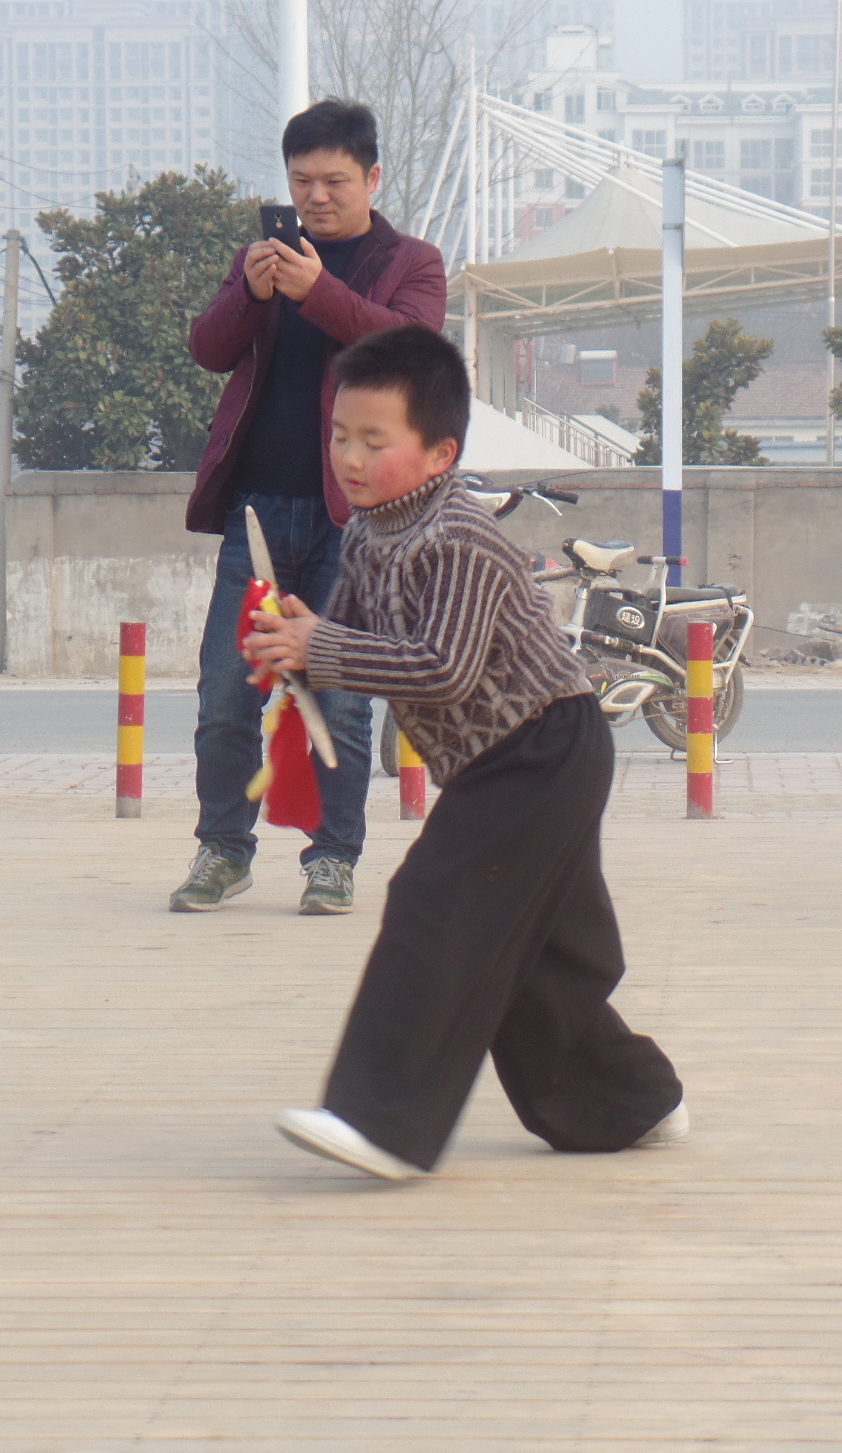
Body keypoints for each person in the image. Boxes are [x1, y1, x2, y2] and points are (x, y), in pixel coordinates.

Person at [241, 326, 686, 1180]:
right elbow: (350, 642)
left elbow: (440, 667)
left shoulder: (460, 539)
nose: (350, 458)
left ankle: (381, 1122)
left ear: (440, 451)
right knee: (532, 952)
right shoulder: (370, 535)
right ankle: (633, 1101)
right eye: (341, 435)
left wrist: (318, 648)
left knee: (438, 903)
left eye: (376, 441)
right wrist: (291, 640)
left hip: (544, 746)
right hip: (501, 759)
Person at [177, 99, 447, 917]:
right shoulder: (264, 255)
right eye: (302, 182)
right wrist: (255, 294)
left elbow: (409, 358)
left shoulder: (413, 262)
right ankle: (222, 850)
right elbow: (208, 349)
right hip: (257, 511)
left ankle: (332, 859)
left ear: (372, 177)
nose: (317, 197)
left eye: (334, 181)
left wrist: (319, 291)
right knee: (227, 691)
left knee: (339, 695)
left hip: (354, 523)